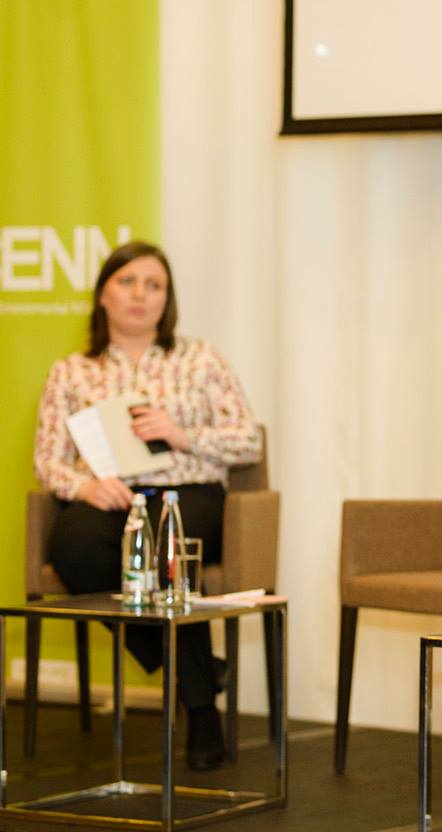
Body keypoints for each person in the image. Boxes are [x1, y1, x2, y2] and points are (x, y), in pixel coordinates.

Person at [34, 240, 262, 771]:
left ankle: (200, 713)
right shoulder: (71, 371)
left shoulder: (200, 359)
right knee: (73, 546)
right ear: (103, 295)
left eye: (154, 285)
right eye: (128, 282)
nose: (140, 295)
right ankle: (194, 672)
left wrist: (184, 435)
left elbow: (248, 440)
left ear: (167, 299)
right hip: (110, 498)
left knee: (165, 548)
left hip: (188, 493)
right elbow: (48, 461)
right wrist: (86, 488)